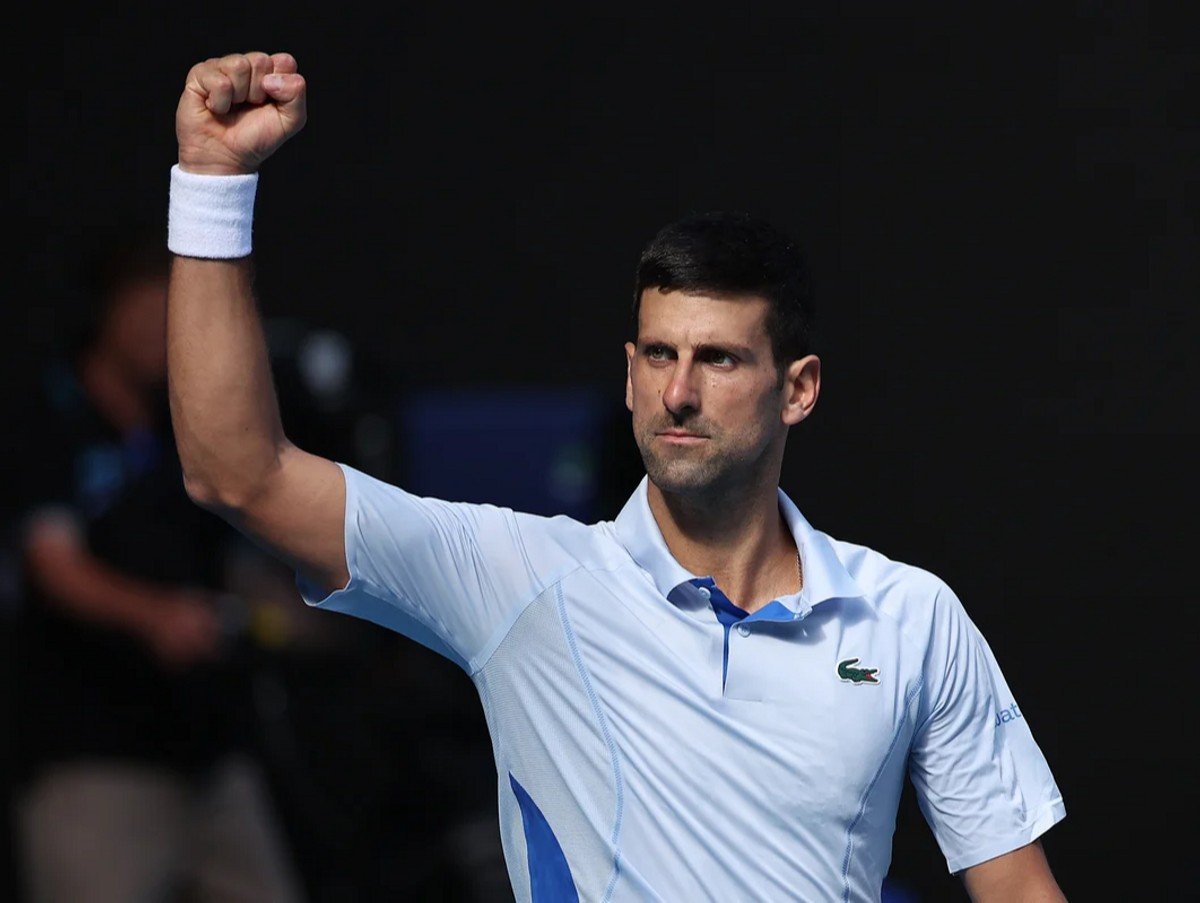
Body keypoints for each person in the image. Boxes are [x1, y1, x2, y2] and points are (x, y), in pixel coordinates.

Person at [164, 51, 1068, 902]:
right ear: (629, 371)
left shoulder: (911, 616)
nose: (677, 392)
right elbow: (238, 474)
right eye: (658, 356)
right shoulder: (522, 578)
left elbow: (1019, 887)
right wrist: (212, 181)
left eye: (717, 359)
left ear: (798, 388)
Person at [8, 235, 305, 901]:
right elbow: (52, 562)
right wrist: (157, 617)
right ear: (104, 313)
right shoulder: (49, 418)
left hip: (208, 750)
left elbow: (235, 549)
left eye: (170, 309)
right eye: (141, 307)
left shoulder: (188, 419)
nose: (155, 327)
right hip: (95, 758)